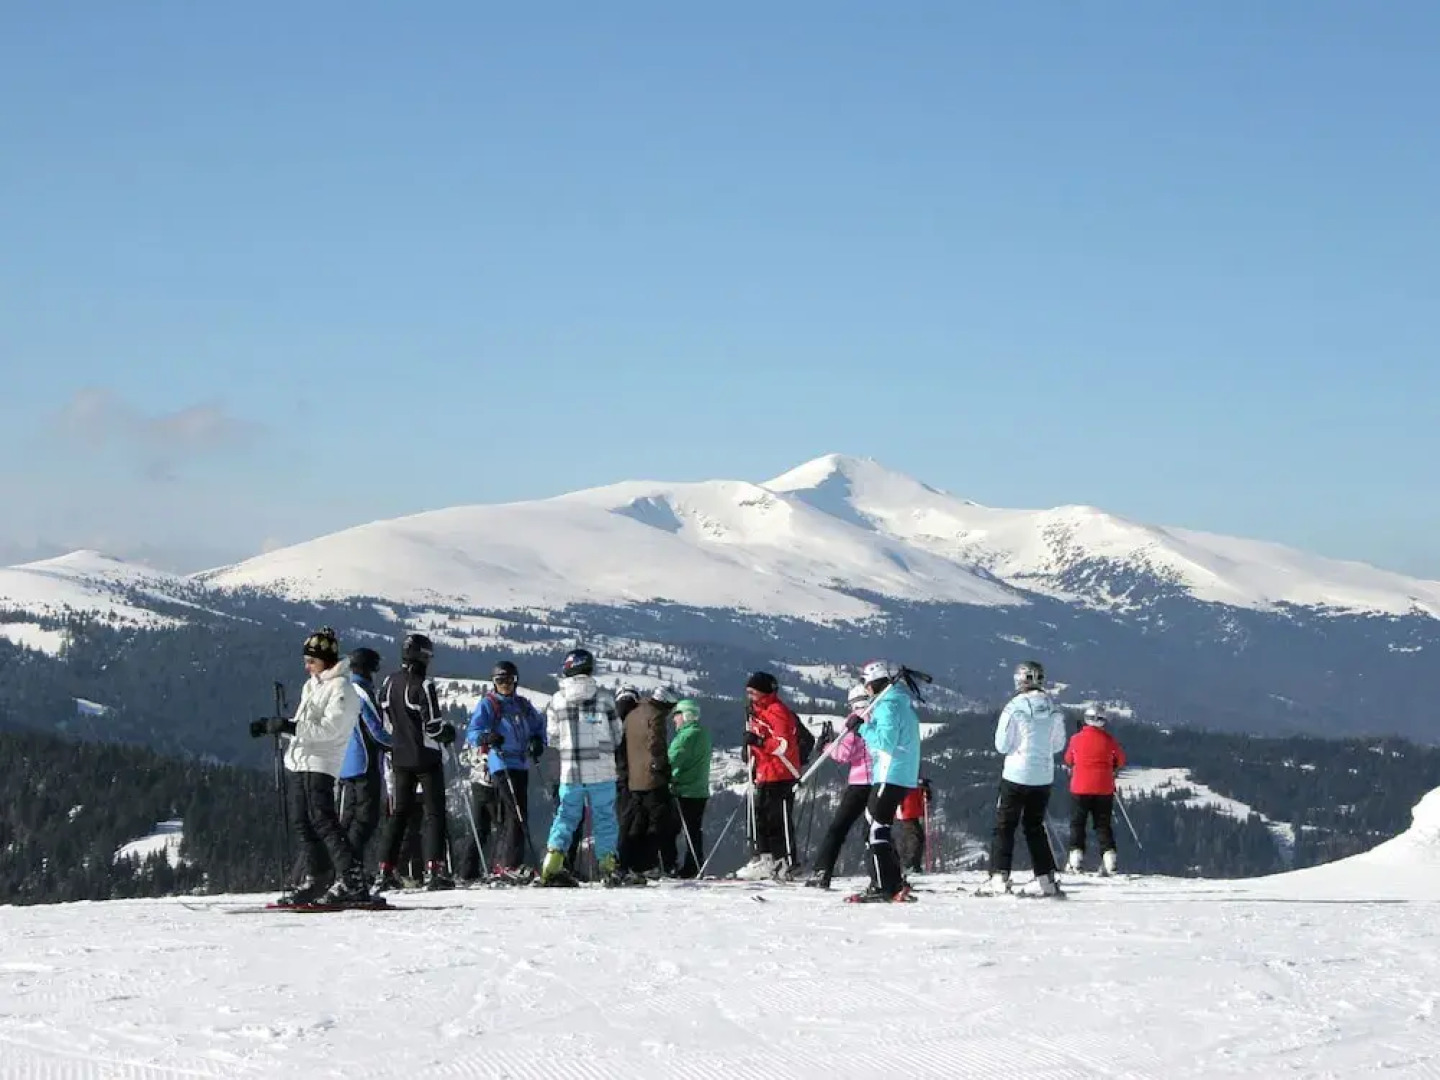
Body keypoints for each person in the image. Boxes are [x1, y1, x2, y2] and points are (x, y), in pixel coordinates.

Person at [269, 627, 367, 906]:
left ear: (327, 660)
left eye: (312, 661)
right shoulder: (313, 685)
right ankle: (319, 876)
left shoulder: (343, 689)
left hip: (322, 761)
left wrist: (290, 726)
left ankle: (352, 879)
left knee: (322, 820)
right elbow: (306, 723)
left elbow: (330, 729)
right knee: (303, 820)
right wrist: (277, 726)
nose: (307, 666)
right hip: (301, 760)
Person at [976, 659, 1068, 897]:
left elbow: (1002, 745)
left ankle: (999, 876)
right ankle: (1045, 878)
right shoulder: (1053, 708)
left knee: (1005, 826)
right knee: (1035, 826)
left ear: (1018, 680)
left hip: (1016, 774)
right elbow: (1058, 744)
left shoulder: (1014, 707)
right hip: (1043, 776)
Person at [375, 633, 456, 892]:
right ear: (423, 656)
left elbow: (384, 718)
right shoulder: (423, 685)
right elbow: (432, 726)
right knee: (434, 814)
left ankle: (385, 869)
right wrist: (447, 733)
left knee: (398, 814)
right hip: (425, 756)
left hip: (398, 756)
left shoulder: (389, 682)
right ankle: (435, 870)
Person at [538, 648, 626, 887]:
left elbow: (553, 737)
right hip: (603, 772)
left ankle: (552, 865)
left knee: (566, 816)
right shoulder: (605, 698)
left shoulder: (557, 700)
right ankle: (608, 866)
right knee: (605, 817)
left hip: (571, 772)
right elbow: (618, 734)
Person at [847, 661, 922, 903]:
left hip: (891, 774)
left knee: (875, 830)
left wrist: (862, 730)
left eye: (866, 684)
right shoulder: (897, 702)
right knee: (874, 826)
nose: (865, 689)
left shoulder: (888, 706)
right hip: (894, 774)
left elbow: (885, 741)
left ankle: (883, 885)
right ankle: (892, 880)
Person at [466, 660, 547, 876]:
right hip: (500, 762)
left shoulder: (522, 705)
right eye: (500, 681)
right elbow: (473, 732)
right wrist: (487, 737)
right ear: (494, 683)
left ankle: (511, 862)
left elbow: (538, 726)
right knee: (515, 813)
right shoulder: (489, 704)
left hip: (520, 763)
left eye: (509, 680)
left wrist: (538, 742)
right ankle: (508, 863)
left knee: (520, 813)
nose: (505, 685)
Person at [805, 684, 874, 890]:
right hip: (880, 779)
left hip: (860, 782)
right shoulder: (878, 717)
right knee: (876, 829)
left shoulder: (854, 720)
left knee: (838, 828)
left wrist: (826, 746)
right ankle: (888, 872)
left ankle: (822, 871)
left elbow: (844, 754)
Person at [735, 672, 803, 880]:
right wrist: (750, 751)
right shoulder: (757, 713)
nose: (750, 696)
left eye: (753, 692)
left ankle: (786, 862)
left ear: (764, 692)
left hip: (780, 774)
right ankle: (766, 860)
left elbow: (783, 745)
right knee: (761, 819)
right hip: (765, 773)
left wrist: (759, 743)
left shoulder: (777, 711)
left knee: (777, 821)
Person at [338, 647, 392, 874]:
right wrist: (395, 745)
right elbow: (375, 729)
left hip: (345, 763)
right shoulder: (361, 691)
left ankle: (341, 871)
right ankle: (351, 871)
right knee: (365, 821)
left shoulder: (344, 688)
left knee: (347, 821)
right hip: (364, 762)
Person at [622, 687, 679, 877]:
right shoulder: (656, 716)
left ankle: (631, 861)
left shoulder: (633, 714)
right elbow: (657, 745)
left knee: (637, 821)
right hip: (652, 778)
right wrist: (664, 769)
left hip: (634, 778)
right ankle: (649, 863)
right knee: (658, 821)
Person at [1065, 706, 1128, 875]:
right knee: (1102, 825)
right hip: (1104, 787)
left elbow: (1068, 759)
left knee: (1078, 823)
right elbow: (1121, 760)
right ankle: (1110, 860)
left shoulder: (1076, 738)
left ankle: (1075, 859)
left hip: (1080, 787)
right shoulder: (1109, 740)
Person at [666, 698, 712, 878]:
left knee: (671, 830)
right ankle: (694, 864)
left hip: (684, 790)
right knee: (694, 830)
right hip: (699, 790)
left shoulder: (685, 736)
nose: (674, 719)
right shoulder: (703, 733)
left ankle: (674, 865)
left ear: (686, 716)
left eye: (677, 715)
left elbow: (671, 760)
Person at [612, 686, 641, 873]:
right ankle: (635, 862)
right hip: (638, 777)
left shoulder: (612, 720)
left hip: (616, 775)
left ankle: (618, 862)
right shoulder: (639, 719)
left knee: (620, 819)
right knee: (636, 820)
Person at [895, 778, 932, 874]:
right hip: (907, 812)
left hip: (911, 812)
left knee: (917, 837)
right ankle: (910, 865)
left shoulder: (912, 783)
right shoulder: (908, 782)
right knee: (915, 837)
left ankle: (913, 865)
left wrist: (926, 792)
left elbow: (924, 798)